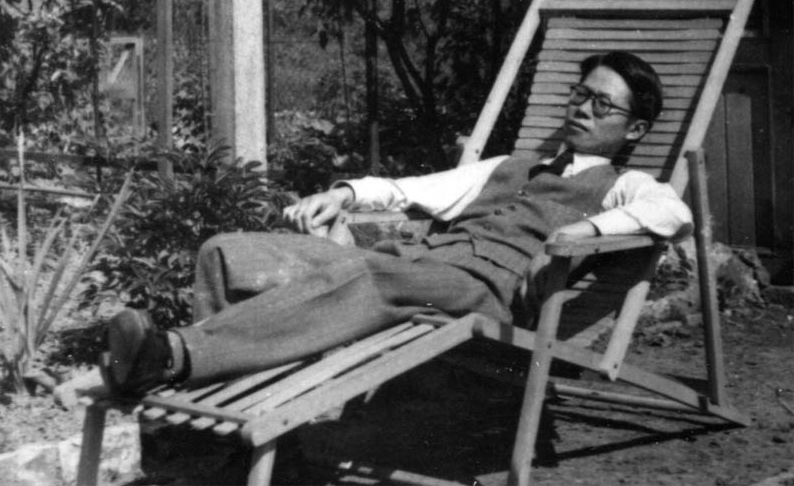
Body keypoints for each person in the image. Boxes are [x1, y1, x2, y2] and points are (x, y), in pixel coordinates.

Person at [104, 51, 692, 394]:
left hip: (484, 294)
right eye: (580, 94)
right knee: (227, 252)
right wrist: (344, 192)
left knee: (368, 275)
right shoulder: (511, 164)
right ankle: (223, 408)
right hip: (413, 266)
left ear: (635, 129)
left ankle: (172, 356)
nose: (583, 108)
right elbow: (415, 189)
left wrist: (580, 233)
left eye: (602, 104)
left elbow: (673, 213)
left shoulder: (624, 184)